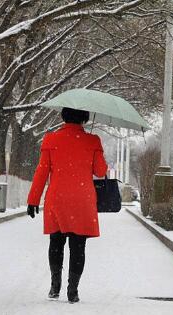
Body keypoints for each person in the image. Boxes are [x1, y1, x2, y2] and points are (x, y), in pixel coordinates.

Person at [27, 107, 108, 303]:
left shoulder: (51, 139)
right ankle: (73, 291)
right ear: (85, 117)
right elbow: (100, 171)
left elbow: (42, 172)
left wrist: (33, 200)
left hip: (57, 198)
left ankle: (55, 287)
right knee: (78, 246)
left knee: (56, 242)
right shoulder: (93, 141)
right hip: (82, 199)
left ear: (64, 115)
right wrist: (97, 151)